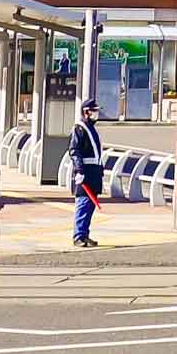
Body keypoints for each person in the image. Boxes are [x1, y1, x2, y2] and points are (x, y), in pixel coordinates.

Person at [67, 100, 108, 246]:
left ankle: (84, 235)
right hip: (85, 173)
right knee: (83, 204)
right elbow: (74, 151)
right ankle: (78, 236)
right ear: (86, 112)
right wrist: (79, 170)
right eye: (94, 111)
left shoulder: (90, 128)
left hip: (94, 173)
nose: (96, 114)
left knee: (90, 206)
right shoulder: (80, 128)